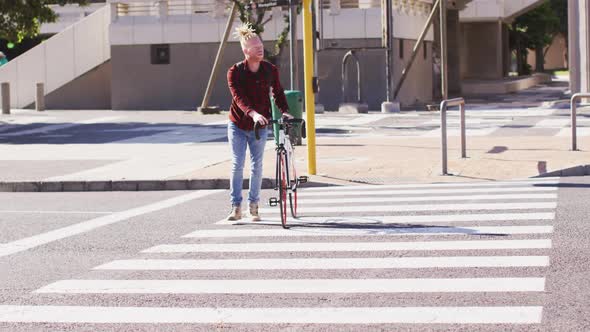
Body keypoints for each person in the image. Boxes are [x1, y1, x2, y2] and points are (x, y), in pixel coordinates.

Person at [226, 23, 293, 221]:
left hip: (260, 126)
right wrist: (253, 113)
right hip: (238, 124)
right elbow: (239, 98)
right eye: (255, 46)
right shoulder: (235, 72)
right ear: (246, 51)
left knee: (257, 166)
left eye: (261, 45)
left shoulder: (269, 69)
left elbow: (278, 92)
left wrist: (286, 112)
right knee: (238, 164)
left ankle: (253, 206)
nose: (260, 48)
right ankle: (235, 206)